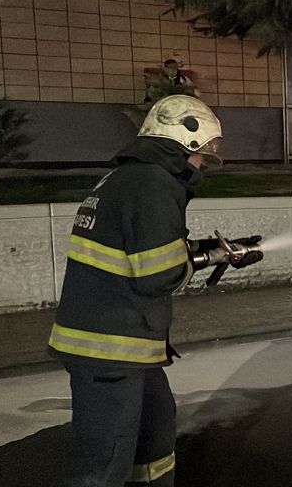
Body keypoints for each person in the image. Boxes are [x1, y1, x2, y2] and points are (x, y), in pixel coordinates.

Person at [48, 94, 263, 487]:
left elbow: (146, 246)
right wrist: (211, 258)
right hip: (109, 352)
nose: (202, 164)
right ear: (183, 142)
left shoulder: (129, 178)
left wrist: (209, 249)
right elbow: (158, 274)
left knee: (155, 440)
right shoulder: (153, 184)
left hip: (125, 346)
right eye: (201, 154)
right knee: (102, 466)